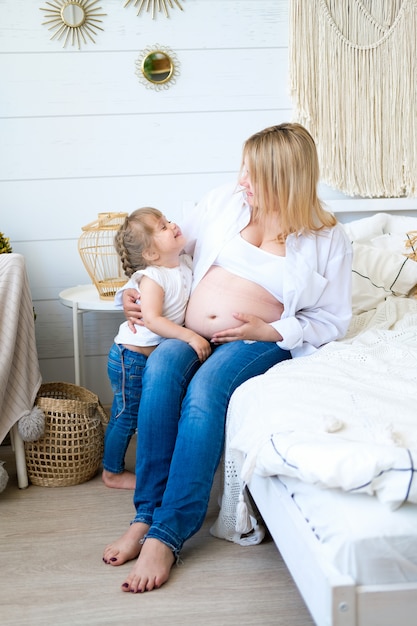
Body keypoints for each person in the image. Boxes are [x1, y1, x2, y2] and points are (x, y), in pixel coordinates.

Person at [102, 123, 353, 593]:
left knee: (205, 392)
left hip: (255, 341)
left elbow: (332, 320)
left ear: (284, 178)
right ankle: (145, 515)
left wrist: (271, 329)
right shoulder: (225, 203)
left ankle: (167, 532)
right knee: (160, 369)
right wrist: (132, 293)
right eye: (243, 169)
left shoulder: (326, 237)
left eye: (252, 174)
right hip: (188, 330)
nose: (242, 181)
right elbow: (162, 252)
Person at [102, 207, 211, 490]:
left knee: (131, 413)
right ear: (150, 254)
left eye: (168, 221)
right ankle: (111, 472)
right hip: (130, 358)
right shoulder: (153, 278)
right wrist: (191, 336)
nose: (173, 225)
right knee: (126, 416)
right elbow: (152, 319)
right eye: (163, 227)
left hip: (143, 358)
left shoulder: (184, 263)